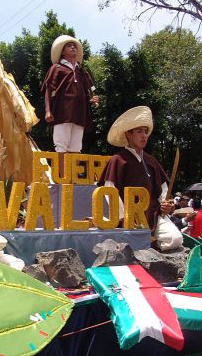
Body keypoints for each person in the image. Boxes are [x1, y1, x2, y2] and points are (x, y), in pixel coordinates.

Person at [98, 106, 183, 251]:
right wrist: (123, 216)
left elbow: (163, 191)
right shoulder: (118, 160)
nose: (144, 136)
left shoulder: (152, 161)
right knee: (130, 246)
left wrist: (166, 205)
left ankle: (152, 247)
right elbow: (109, 190)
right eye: (139, 131)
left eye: (145, 132)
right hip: (128, 218)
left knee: (175, 238)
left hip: (154, 215)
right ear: (128, 134)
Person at [41, 35, 98, 175]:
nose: (73, 47)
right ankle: (61, 176)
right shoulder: (57, 68)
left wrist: (94, 98)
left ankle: (73, 177)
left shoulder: (82, 72)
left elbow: (91, 91)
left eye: (74, 45)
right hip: (62, 113)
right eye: (69, 45)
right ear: (62, 51)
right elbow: (48, 90)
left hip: (80, 114)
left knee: (76, 146)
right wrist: (48, 111)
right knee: (61, 145)